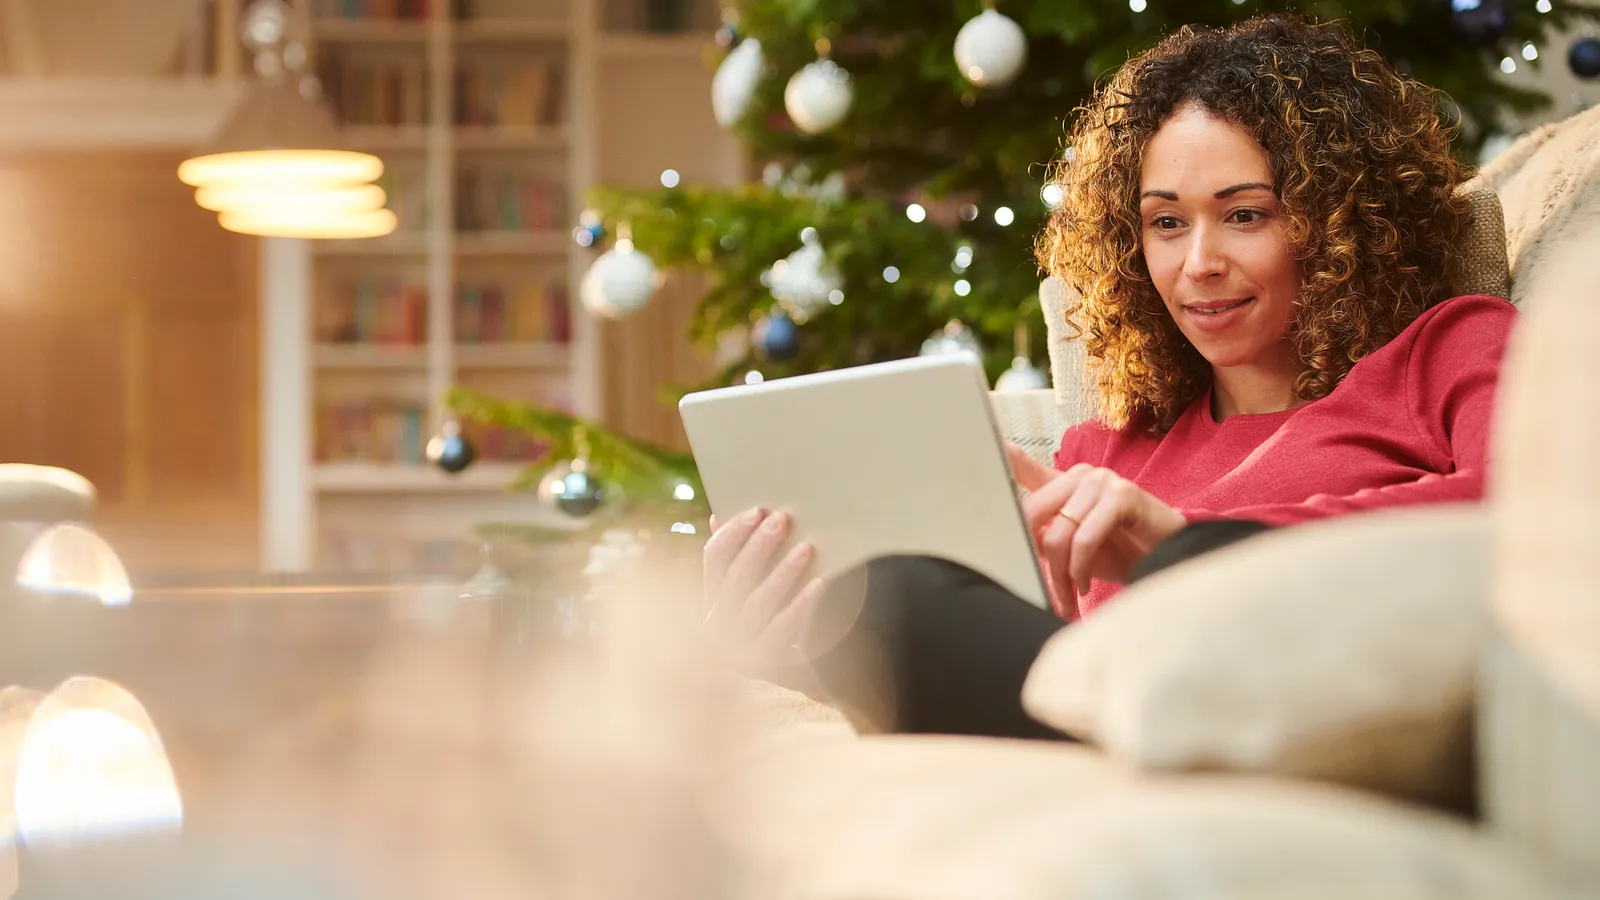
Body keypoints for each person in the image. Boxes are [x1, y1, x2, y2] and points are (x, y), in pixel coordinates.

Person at [701, 14, 1516, 739]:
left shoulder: (1449, 349)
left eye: (1246, 214)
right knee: (899, 604)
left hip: (1316, 704)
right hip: (1098, 737)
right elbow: (1012, 662)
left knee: (937, 602)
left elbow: (1543, 513)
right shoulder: (1107, 455)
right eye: (1166, 223)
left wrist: (1183, 543)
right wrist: (799, 647)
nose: (1198, 264)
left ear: (1344, 217)